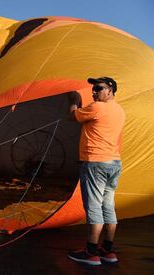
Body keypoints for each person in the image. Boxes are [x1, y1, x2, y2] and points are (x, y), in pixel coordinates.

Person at [67, 77, 125, 266]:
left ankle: (91, 253)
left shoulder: (97, 107)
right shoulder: (120, 110)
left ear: (110, 90)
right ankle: (108, 250)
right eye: (93, 88)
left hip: (96, 163)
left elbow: (73, 116)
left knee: (94, 208)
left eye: (98, 88)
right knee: (108, 207)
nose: (94, 92)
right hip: (114, 163)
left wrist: (74, 101)